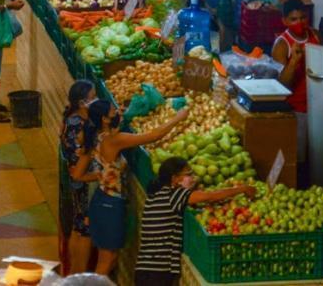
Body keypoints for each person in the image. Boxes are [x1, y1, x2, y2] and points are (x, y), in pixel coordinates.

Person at [77, 100, 190, 275]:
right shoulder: (114, 140)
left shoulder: (94, 137)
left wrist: (103, 176)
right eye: (113, 111)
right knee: (107, 260)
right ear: (105, 119)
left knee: (106, 257)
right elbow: (153, 136)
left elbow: (77, 175)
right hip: (110, 206)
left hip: (101, 200)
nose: (117, 111)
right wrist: (178, 118)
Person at [135, 158, 256, 286]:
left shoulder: (155, 194)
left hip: (145, 268)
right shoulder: (174, 195)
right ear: (175, 178)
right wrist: (241, 189)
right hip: (158, 272)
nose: (192, 177)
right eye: (188, 174)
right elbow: (210, 196)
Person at [270, 0, 318, 161]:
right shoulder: (282, 45)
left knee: (319, 155)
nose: (299, 22)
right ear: (284, 21)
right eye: (293, 19)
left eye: (303, 18)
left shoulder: (315, 36)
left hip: (318, 106)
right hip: (296, 110)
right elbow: (282, 85)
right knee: (299, 158)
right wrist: (294, 62)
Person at [61, 80, 100, 275]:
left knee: (78, 228)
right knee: (85, 231)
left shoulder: (74, 118)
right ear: (83, 103)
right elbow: (79, 166)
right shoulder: (78, 126)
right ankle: (79, 275)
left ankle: (71, 273)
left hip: (77, 183)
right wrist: (101, 175)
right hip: (83, 185)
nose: (97, 101)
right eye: (94, 98)